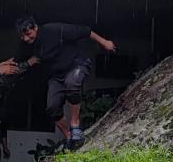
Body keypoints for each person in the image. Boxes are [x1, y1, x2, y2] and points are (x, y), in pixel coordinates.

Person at [15, 15, 117, 149]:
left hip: (76, 64)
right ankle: (69, 137)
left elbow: (86, 31)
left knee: (72, 84)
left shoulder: (54, 29)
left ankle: (75, 124)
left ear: (35, 27)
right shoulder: (25, 45)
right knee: (52, 108)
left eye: (28, 34)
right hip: (56, 75)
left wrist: (104, 42)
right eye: (23, 36)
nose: (26, 39)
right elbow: (17, 62)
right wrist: (28, 62)